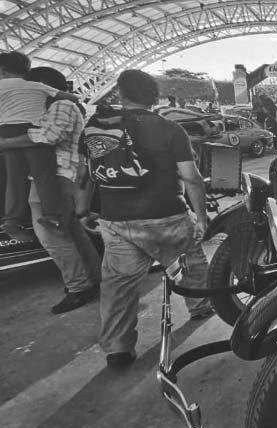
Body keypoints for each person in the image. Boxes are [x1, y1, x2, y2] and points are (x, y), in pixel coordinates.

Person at [81, 70, 213, 369]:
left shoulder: (98, 127)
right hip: (167, 216)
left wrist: (83, 210)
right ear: (155, 96)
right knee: (190, 265)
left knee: (118, 287)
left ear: (121, 94)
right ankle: (200, 306)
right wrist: (202, 218)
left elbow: (85, 174)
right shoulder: (169, 129)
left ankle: (118, 348)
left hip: (116, 221)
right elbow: (191, 178)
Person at [0, 66, 101, 314]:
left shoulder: (62, 105)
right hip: (56, 177)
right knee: (72, 233)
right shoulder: (56, 106)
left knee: (52, 236)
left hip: (57, 177)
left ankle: (79, 287)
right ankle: (93, 279)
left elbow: (50, 136)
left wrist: (6, 140)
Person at [0, 51, 78, 241]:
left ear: (1, 70)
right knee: (44, 175)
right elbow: (71, 97)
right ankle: (52, 217)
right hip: (31, 130)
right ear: (26, 70)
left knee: (15, 179)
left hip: (6, 130)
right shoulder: (36, 85)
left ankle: (11, 220)